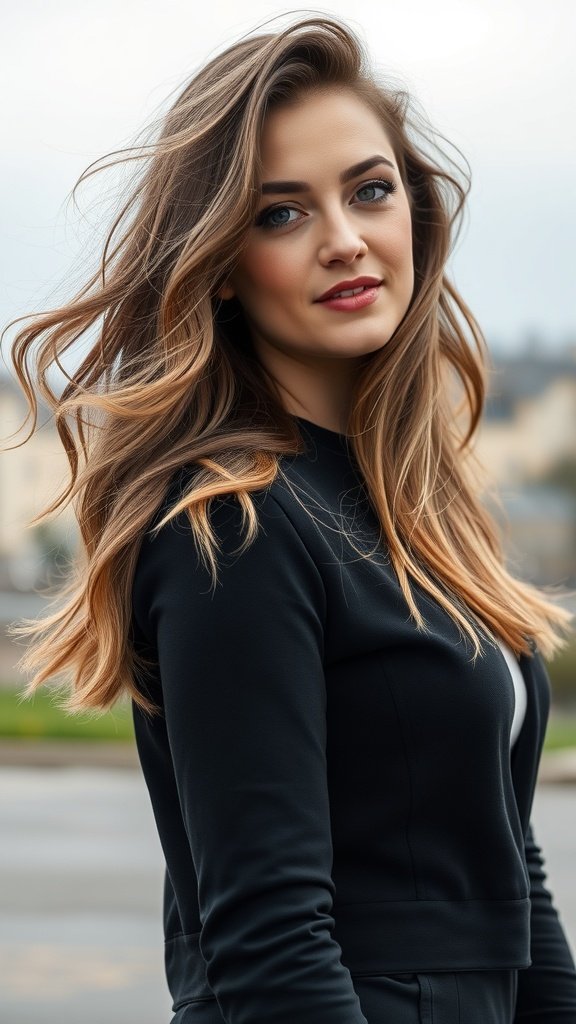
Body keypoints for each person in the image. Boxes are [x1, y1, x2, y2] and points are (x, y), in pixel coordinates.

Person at [4, 13, 576, 1024]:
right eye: (281, 214)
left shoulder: (417, 514)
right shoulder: (235, 527)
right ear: (221, 262)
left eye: (369, 190)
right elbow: (271, 946)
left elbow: (506, 875)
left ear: (415, 212)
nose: (345, 239)